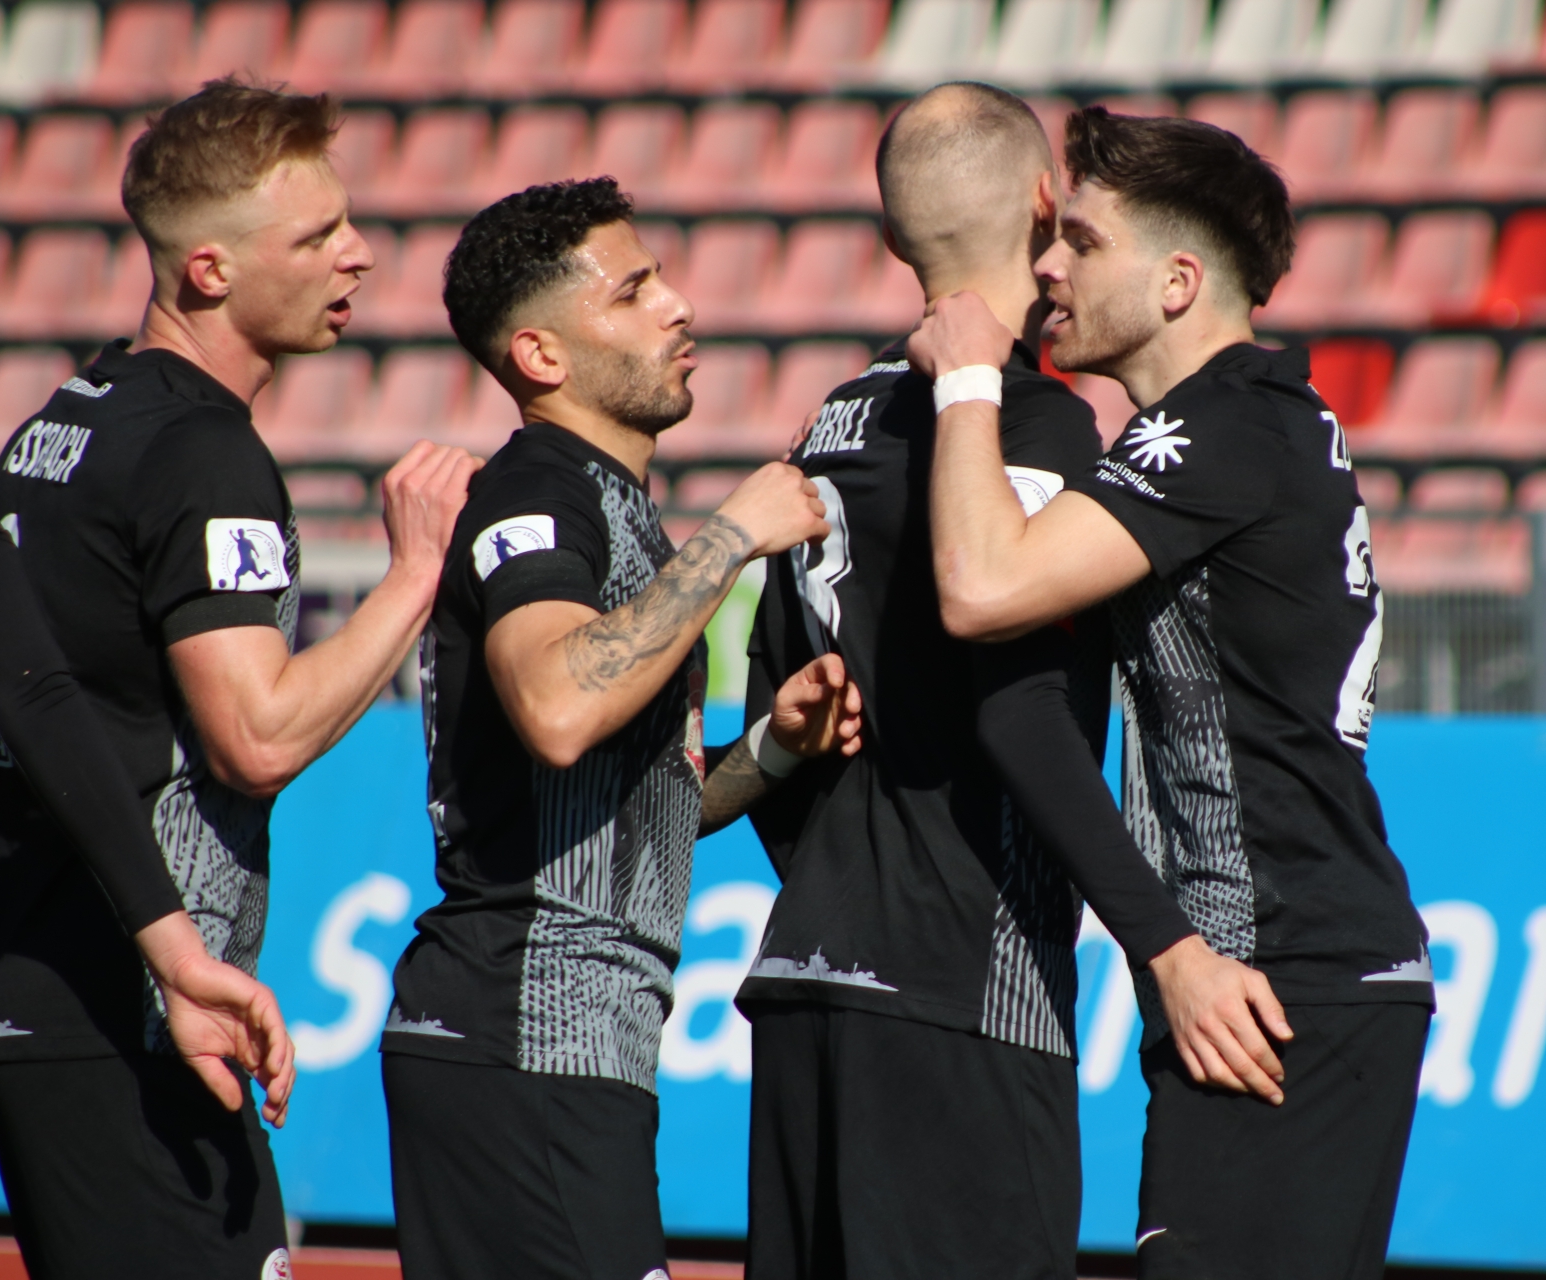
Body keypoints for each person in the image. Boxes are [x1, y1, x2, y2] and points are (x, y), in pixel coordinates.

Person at [915, 106, 1435, 1280]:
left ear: (1178, 282)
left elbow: (982, 586)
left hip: (1291, 977)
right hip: (1269, 974)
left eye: (1084, 241)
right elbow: (1018, 703)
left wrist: (968, 385)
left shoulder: (1228, 427)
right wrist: (1174, 950)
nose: (1049, 264)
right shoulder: (1232, 427)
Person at [737, 83, 1234, 1280]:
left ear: (892, 234)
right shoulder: (1033, 423)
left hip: (806, 968)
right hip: (960, 980)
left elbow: (781, 719)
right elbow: (1024, 712)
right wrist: (1163, 944)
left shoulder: (827, 425)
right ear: (1046, 206)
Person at [0, 78, 476, 1278]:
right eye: (316, 237)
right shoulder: (202, 451)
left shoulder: (70, 414)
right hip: (129, 1003)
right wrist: (416, 574)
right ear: (209, 269)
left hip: (46, 973)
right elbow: (254, 736)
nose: (358, 254)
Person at [381, 178, 858, 1280]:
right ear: (541, 354)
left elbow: (622, 809)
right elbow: (559, 706)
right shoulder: (537, 492)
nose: (677, 305)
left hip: (564, 1046)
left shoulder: (610, 500)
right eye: (633, 290)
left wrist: (772, 750)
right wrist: (731, 536)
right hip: (518, 1033)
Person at [0, 496, 297, 1267]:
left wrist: (176, 959)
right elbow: (35, 696)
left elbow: (32, 693)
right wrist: (407, 585)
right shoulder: (199, 456)